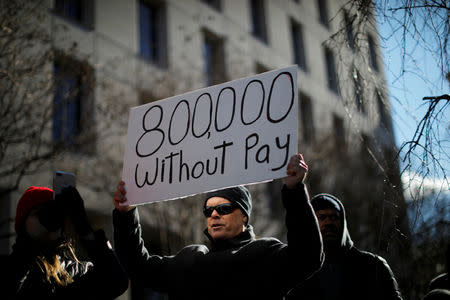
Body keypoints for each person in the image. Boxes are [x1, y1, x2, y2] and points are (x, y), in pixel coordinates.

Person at [113, 154, 323, 299]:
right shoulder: (190, 261)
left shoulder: (264, 254)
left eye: (223, 208)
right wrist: (126, 214)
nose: (214, 214)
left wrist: (294, 190)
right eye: (208, 210)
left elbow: (307, 256)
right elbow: (137, 266)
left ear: (244, 216)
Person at [1, 185, 128, 300]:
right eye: (38, 213)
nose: (47, 218)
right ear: (23, 224)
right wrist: (30, 244)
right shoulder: (10, 268)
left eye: (52, 214)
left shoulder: (77, 271)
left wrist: (84, 228)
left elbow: (116, 282)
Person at [286, 193, 403, 300]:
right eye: (321, 217)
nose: (328, 222)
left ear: (342, 221)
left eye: (334, 217)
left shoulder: (373, 266)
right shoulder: (298, 273)